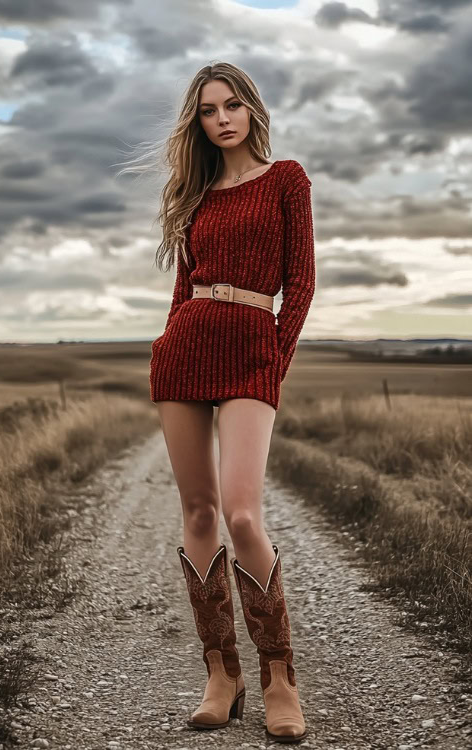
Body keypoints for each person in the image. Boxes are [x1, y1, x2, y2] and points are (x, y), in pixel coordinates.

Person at [122, 61, 315, 743]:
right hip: (186, 349)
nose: (222, 117)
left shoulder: (287, 179)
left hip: (250, 352)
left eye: (232, 104)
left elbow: (301, 283)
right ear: (198, 122)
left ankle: (279, 676)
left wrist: (274, 361)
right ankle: (221, 673)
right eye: (209, 110)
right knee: (198, 510)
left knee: (241, 512)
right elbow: (183, 290)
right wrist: (167, 341)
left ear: (251, 110)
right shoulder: (196, 192)